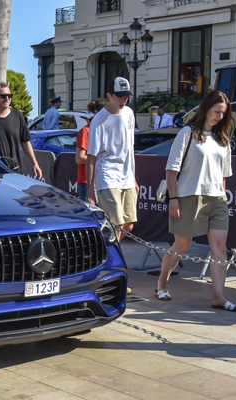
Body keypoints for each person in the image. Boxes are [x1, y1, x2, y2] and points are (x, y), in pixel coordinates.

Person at [156, 90, 236, 310]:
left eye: (223, 113)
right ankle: (162, 281)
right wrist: (174, 199)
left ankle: (219, 297)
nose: (219, 117)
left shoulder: (223, 138)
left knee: (219, 248)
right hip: (189, 196)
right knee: (182, 245)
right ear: (206, 108)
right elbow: (171, 169)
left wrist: (223, 197)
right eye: (216, 111)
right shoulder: (187, 133)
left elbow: (223, 175)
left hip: (218, 199)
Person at [86, 77, 137, 294]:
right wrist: (90, 189)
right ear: (109, 95)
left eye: (126, 95)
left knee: (129, 225)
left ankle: (100, 261)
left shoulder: (129, 113)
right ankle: (113, 272)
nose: (123, 99)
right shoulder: (99, 120)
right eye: (119, 96)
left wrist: (134, 177)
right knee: (115, 224)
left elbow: (130, 148)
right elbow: (91, 157)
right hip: (107, 176)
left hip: (126, 176)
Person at [0, 81, 42, 179]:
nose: (7, 99)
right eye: (3, 96)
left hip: (15, 173)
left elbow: (25, 142)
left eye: (9, 95)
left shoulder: (18, 116)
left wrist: (35, 163)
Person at [75, 98, 108, 201]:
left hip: (103, 180)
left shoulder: (106, 130)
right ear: (96, 112)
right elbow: (79, 158)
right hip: (87, 182)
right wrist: (101, 157)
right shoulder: (85, 131)